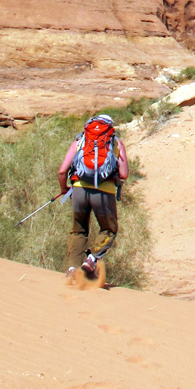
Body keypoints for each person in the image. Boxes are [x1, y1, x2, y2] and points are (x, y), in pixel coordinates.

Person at [58, 113, 129, 279]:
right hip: (104, 192)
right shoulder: (115, 142)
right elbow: (124, 174)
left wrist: (64, 190)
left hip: (79, 190)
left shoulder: (80, 141)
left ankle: (72, 270)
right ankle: (92, 259)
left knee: (78, 231)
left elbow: (62, 171)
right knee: (109, 230)